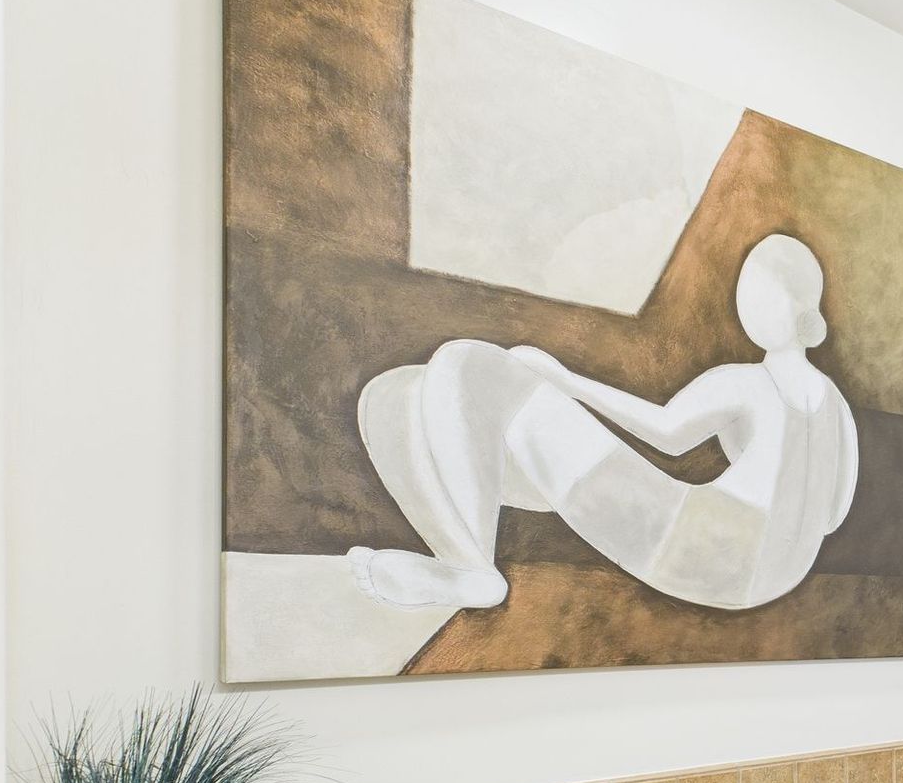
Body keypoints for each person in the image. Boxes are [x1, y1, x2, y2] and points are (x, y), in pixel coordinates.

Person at [346, 233, 858, 612]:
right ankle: (468, 545)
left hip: (690, 542)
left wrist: (564, 378)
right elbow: (831, 516)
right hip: (772, 579)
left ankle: (471, 567)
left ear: (763, 302)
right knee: (419, 400)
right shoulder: (834, 405)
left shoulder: (749, 382)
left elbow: (668, 433)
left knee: (465, 363)